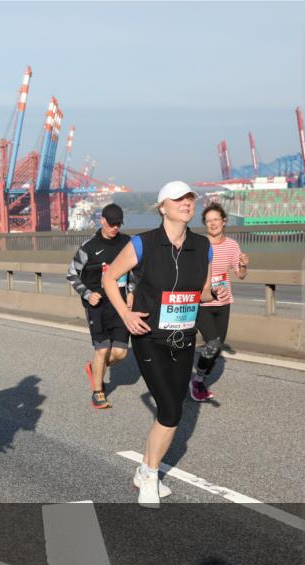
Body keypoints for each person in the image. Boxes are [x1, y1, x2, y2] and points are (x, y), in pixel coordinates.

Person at [102, 181, 226, 508]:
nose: (186, 203)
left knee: (173, 407)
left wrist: (218, 291)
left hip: (183, 337)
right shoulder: (143, 244)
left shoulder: (203, 247)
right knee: (170, 412)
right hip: (149, 337)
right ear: (162, 207)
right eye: (178, 199)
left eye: (189, 198)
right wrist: (126, 314)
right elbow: (108, 278)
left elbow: (202, 292)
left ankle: (144, 470)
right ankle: (150, 475)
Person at [66, 203, 134, 409]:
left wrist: (131, 291)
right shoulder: (88, 247)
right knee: (103, 349)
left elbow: (135, 271)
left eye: (118, 224)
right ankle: (98, 392)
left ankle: (95, 368)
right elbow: (71, 274)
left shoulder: (127, 243)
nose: (115, 228)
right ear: (102, 221)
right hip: (98, 306)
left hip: (121, 305)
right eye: (111, 224)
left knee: (121, 353)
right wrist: (87, 294)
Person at [190, 203, 249, 401]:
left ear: (224, 221)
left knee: (217, 346)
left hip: (223, 302)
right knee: (213, 343)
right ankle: (197, 380)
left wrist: (243, 265)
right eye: (208, 221)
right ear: (205, 224)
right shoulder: (199, 244)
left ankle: (199, 378)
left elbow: (240, 275)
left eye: (216, 219)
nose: (213, 223)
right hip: (203, 302)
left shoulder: (232, 245)